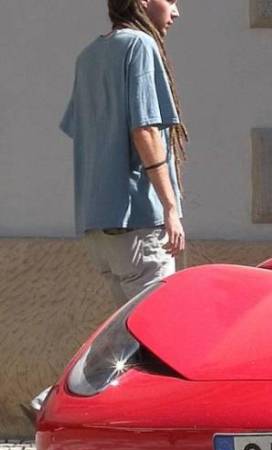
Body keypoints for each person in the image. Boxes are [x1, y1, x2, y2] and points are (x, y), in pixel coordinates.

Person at [61, 0, 188, 305]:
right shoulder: (141, 45)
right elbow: (144, 131)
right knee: (156, 337)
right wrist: (170, 208)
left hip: (100, 229)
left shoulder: (88, 57)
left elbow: (83, 130)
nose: (175, 11)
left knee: (130, 340)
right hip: (139, 223)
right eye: (170, 0)